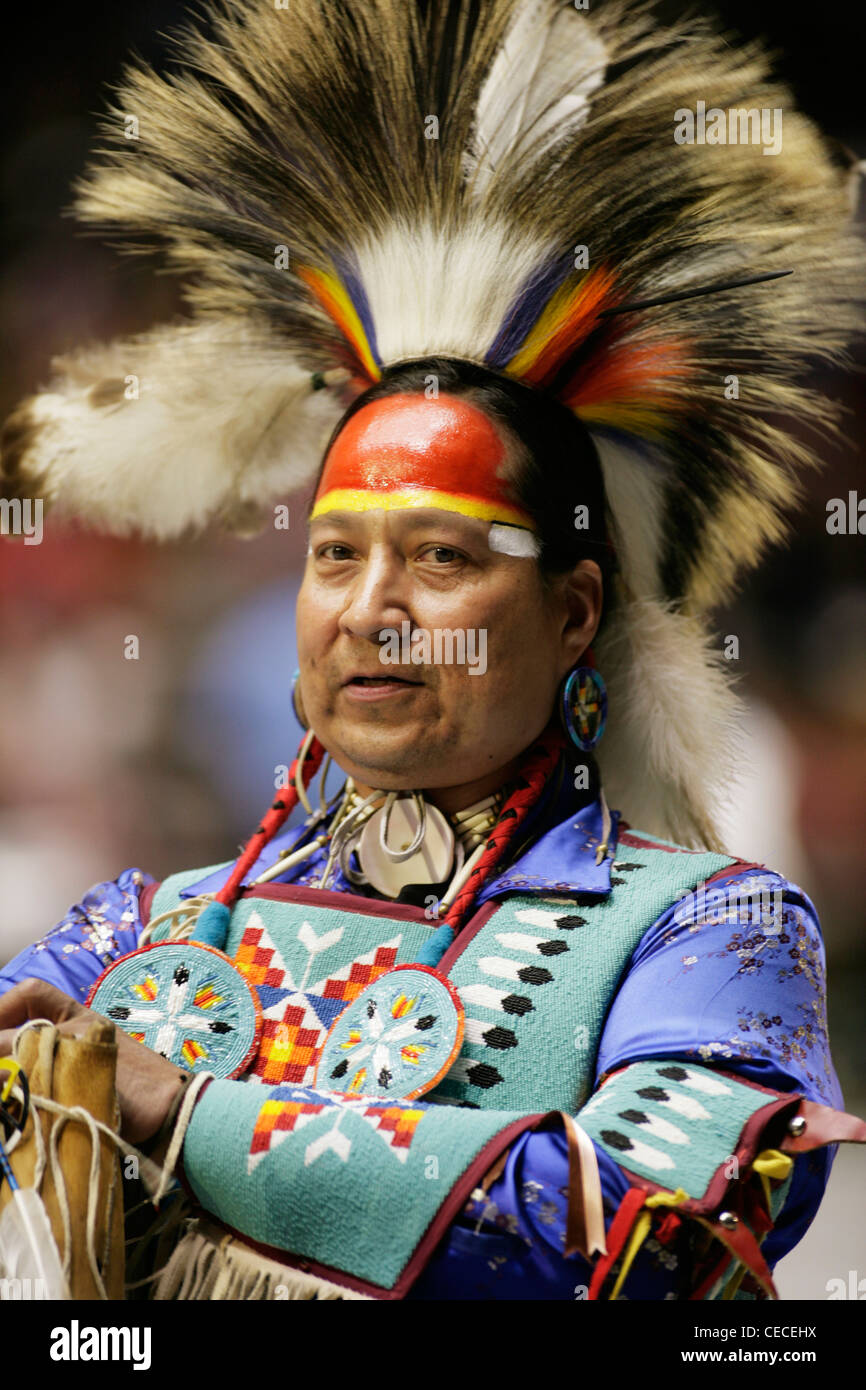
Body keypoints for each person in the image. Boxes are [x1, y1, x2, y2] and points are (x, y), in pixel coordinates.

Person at [1, 0, 864, 1301]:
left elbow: (637, 1223)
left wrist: (183, 1117)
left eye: (443, 557)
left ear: (574, 613)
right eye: (336, 553)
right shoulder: (138, 930)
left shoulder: (703, 933)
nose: (371, 606)